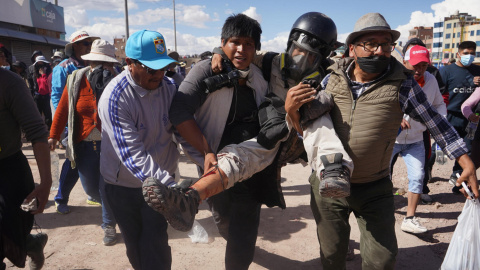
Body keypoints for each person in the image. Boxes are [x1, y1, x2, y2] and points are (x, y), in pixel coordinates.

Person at [285, 13, 478, 269]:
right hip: (328, 185)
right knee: (332, 256)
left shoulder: (403, 85)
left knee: (382, 260)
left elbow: (435, 122)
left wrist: (465, 161)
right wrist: (291, 111)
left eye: (386, 44)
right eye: (371, 43)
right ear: (352, 49)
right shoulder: (329, 80)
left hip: (374, 187)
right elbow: (306, 130)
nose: (380, 51)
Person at [142, 12, 350, 235]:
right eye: (298, 50)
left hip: (297, 136)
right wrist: (218, 52)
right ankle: (189, 199)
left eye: (311, 56)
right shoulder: (270, 62)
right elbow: (240, 51)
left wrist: (293, 112)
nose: (301, 59)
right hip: (269, 134)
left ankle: (333, 168)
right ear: (290, 44)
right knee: (237, 157)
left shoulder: (327, 77)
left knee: (320, 117)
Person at [166, 14, 274, 270]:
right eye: (235, 42)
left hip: (251, 163)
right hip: (212, 162)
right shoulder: (205, 69)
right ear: (223, 42)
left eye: (249, 44)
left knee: (244, 228)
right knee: (223, 218)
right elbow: (179, 112)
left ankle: (239, 254)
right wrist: (205, 150)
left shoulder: (259, 75)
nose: (241, 49)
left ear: (256, 48)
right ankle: (235, 240)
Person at [98, 30, 179, 270]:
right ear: (130, 64)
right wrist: (172, 188)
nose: (159, 76)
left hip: (161, 184)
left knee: (157, 243)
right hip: (124, 186)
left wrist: (205, 160)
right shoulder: (115, 97)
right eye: (151, 69)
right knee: (136, 246)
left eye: (163, 68)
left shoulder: (170, 88)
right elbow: (132, 156)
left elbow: (184, 130)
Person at [48, 39, 119, 246]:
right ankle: (111, 212)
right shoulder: (76, 79)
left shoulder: (117, 80)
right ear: (91, 62)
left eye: (107, 63)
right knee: (92, 190)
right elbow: (63, 109)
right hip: (85, 144)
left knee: (106, 186)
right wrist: (54, 134)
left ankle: (108, 224)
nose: (104, 67)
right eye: (98, 62)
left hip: (111, 145)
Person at [390, 45, 447, 234]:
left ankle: (410, 217)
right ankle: (381, 210)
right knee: (381, 176)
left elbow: (438, 104)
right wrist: (396, 118)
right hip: (392, 140)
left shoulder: (430, 80)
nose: (419, 69)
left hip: (416, 139)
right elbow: (381, 104)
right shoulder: (394, 77)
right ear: (405, 62)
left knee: (417, 177)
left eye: (423, 65)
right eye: (415, 65)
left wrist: (437, 122)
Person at [0, 68, 52, 270]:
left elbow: (37, 133)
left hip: (7, 173)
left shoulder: (9, 83)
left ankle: (26, 242)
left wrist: (46, 182)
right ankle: (30, 243)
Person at [51, 30, 99, 214]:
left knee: (95, 160)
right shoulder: (63, 67)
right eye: (85, 43)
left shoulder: (94, 65)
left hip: (92, 125)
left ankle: (93, 194)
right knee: (73, 161)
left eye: (90, 43)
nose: (89, 46)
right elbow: (57, 98)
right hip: (73, 124)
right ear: (75, 46)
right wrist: (63, 126)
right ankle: (60, 198)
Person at [439, 41, 480, 193]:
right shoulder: (447, 71)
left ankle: (458, 179)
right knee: (442, 147)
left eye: (472, 53)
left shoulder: (477, 70)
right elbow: (439, 92)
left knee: (467, 149)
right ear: (458, 54)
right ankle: (428, 170)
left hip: (471, 119)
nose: (469, 56)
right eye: (466, 53)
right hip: (451, 115)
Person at [461, 87, 480, 169]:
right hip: (476, 128)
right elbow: (465, 105)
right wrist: (470, 115)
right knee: (473, 157)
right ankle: (463, 177)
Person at [33, 56, 53, 129]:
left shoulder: (48, 73)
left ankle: (48, 128)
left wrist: (43, 74)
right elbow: (35, 84)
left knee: (47, 113)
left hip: (46, 96)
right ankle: (38, 127)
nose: (40, 65)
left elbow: (47, 84)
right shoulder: (36, 73)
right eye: (38, 63)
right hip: (38, 96)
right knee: (37, 113)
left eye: (41, 63)